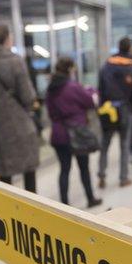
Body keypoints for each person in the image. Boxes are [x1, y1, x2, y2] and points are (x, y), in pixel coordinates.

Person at [0, 23, 40, 193]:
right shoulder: (15, 61)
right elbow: (27, 97)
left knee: (4, 179)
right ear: (6, 40)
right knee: (29, 176)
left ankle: (7, 214)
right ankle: (30, 217)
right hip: (20, 126)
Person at [46, 57, 103, 208]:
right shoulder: (73, 87)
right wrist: (91, 91)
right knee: (83, 168)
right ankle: (90, 198)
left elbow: (50, 113)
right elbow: (90, 102)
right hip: (77, 133)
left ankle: (64, 205)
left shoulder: (51, 88)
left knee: (64, 170)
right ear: (70, 69)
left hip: (58, 134)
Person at [97, 36, 132, 188]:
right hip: (125, 110)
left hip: (108, 110)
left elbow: (101, 89)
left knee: (105, 144)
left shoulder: (106, 65)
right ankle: (123, 178)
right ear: (129, 48)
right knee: (124, 144)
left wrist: (101, 107)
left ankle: (101, 176)